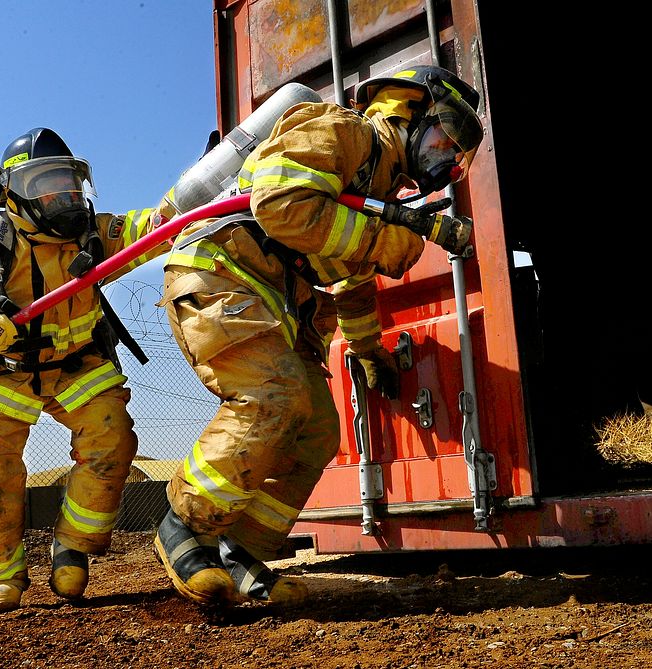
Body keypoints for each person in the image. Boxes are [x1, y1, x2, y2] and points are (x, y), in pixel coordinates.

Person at [151, 65, 484, 607]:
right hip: (220, 272)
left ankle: (242, 551)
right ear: (407, 112)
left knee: (317, 429)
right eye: (446, 137)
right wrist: (387, 240)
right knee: (273, 399)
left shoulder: (378, 192)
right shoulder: (343, 131)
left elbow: (352, 284)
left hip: (275, 298)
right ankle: (184, 524)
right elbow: (282, 206)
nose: (449, 159)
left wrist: (369, 349)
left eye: (458, 150)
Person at [0, 128, 169, 616]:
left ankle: (73, 549)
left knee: (112, 440)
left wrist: (194, 195)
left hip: (79, 367)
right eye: (47, 182)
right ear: (14, 193)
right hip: (4, 372)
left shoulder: (93, 235)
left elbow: (153, 225)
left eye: (67, 180)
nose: (62, 193)